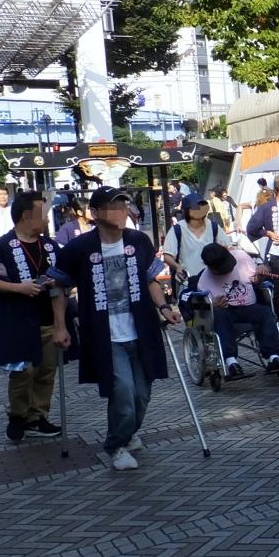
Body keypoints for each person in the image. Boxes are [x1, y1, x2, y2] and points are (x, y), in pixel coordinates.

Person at [50, 187, 183, 472]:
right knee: (122, 392)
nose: (121, 212)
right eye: (113, 207)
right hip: (104, 335)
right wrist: (60, 327)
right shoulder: (79, 248)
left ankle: (128, 432)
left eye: (124, 206)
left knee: (141, 395)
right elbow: (59, 287)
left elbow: (150, 279)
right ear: (95, 213)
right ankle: (116, 445)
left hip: (141, 330)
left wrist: (164, 308)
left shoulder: (138, 240)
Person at [0, 191, 63, 443]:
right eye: (43, 215)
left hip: (47, 319)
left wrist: (60, 320)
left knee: (46, 371)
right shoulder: (0, 247)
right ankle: (18, 415)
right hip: (16, 320)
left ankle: (38, 416)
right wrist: (18, 288)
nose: (47, 220)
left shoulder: (50, 246)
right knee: (23, 372)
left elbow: (62, 282)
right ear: (27, 215)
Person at [195, 243, 279, 378]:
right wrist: (213, 305)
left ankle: (274, 357)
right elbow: (202, 310)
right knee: (219, 317)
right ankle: (231, 362)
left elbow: (257, 278)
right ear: (211, 267)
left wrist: (262, 271)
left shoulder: (241, 257)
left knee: (265, 312)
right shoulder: (204, 281)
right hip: (227, 311)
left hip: (250, 306)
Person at [162, 193, 230, 282]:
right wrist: (177, 267)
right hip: (187, 282)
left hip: (212, 281)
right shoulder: (177, 229)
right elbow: (167, 255)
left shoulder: (213, 227)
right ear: (186, 211)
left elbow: (228, 247)